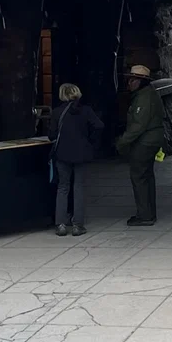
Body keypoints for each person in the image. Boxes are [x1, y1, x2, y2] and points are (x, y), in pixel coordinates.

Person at [50, 83, 103, 237]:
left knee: (63, 187)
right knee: (79, 187)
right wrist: (90, 142)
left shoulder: (57, 112)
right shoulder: (86, 110)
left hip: (62, 154)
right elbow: (99, 126)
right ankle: (77, 225)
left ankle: (60, 224)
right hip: (82, 154)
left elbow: (52, 135)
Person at [115, 64, 165, 226]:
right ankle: (149, 212)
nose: (129, 83)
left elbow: (138, 125)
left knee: (139, 176)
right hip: (151, 139)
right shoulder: (147, 94)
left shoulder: (143, 98)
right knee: (147, 176)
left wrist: (122, 142)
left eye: (132, 80)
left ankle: (144, 215)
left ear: (140, 82)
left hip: (145, 141)